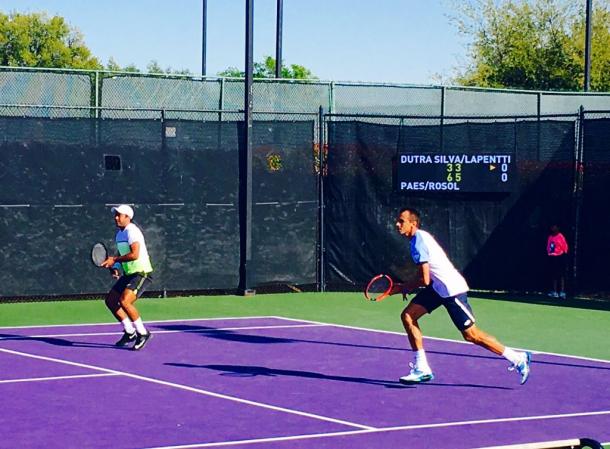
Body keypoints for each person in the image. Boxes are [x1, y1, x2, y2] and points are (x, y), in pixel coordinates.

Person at [394, 207, 531, 385]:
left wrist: (403, 287)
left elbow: (425, 279)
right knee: (408, 316)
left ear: (413, 223)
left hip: (452, 290)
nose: (397, 224)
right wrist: (405, 287)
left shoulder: (419, 240)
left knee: (472, 335)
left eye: (401, 221)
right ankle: (422, 368)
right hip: (438, 288)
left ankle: (518, 358)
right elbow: (426, 277)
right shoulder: (416, 240)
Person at [100, 204, 153, 350]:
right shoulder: (120, 234)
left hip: (141, 273)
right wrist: (116, 267)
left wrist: (114, 260)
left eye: (119, 215)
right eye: (115, 215)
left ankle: (143, 333)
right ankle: (129, 332)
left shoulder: (132, 231)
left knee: (125, 301)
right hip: (129, 273)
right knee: (111, 301)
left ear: (128, 217)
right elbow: (122, 252)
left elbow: (134, 254)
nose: (116, 218)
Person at [546, 224, 569, 299]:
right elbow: (548, 247)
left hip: (560, 257)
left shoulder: (560, 236)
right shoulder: (550, 237)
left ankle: (562, 292)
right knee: (553, 275)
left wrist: (563, 255)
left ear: (558, 228)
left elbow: (565, 247)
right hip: (552, 258)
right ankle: (554, 292)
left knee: (561, 275)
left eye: (555, 227)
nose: (553, 228)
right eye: (552, 227)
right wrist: (550, 253)